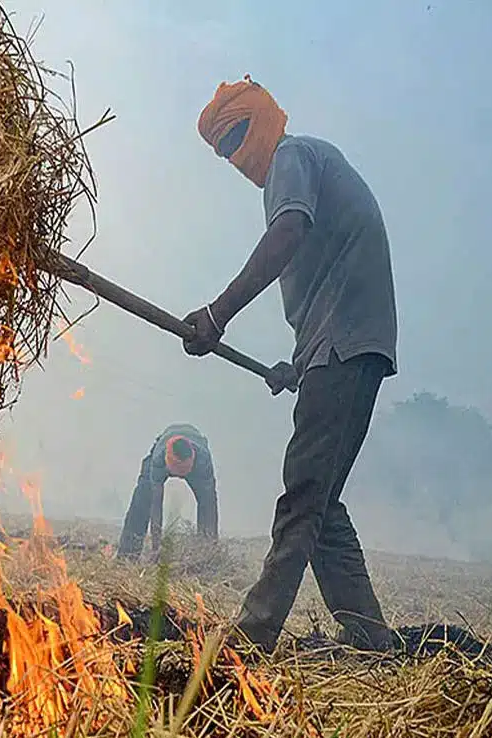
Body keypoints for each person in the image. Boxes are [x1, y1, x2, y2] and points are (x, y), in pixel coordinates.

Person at [181, 76, 400, 655]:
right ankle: (373, 640)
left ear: (261, 119)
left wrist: (217, 312)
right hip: (338, 350)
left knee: (303, 494)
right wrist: (296, 368)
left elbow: (288, 234)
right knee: (321, 502)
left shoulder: (292, 156)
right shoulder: (304, 163)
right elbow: (328, 277)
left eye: (235, 138)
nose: (234, 156)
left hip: (344, 346)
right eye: (223, 150)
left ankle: (250, 640)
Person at [117, 423, 218, 559]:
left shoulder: (202, 462)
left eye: (184, 471)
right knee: (142, 497)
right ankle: (127, 555)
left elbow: (209, 507)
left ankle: (207, 556)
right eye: (177, 471)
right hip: (165, 444)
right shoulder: (159, 459)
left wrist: (209, 548)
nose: (180, 476)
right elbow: (155, 504)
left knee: (208, 507)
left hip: (196, 452)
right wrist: (156, 547)